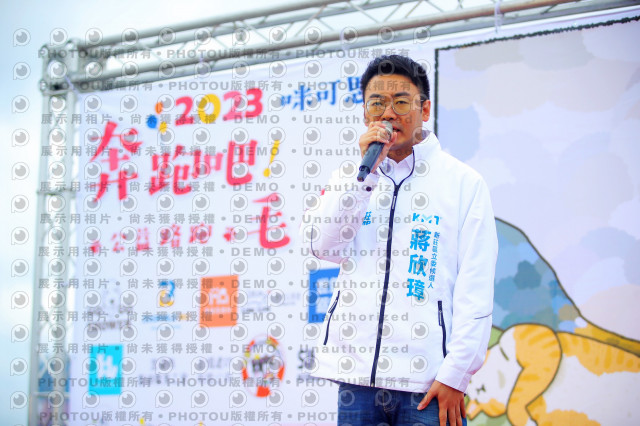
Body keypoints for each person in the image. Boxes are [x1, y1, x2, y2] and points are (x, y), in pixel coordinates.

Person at [301, 55, 498, 426]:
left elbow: (475, 286)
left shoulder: (463, 183)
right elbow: (323, 246)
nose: (388, 113)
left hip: (427, 383)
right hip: (356, 379)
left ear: (425, 109)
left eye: (401, 102)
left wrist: (456, 374)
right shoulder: (351, 176)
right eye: (377, 103)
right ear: (365, 112)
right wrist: (363, 180)